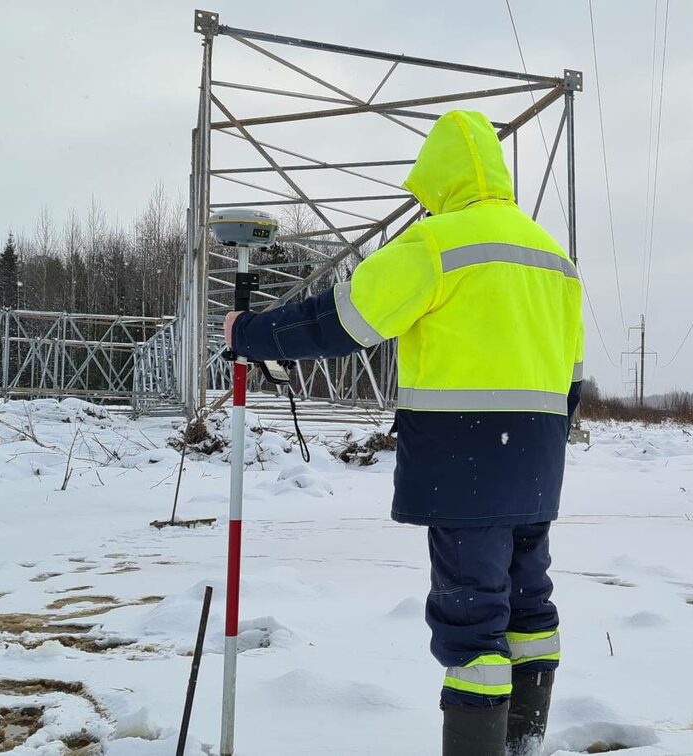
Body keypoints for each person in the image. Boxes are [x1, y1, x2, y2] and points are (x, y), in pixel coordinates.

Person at [223, 109, 584, 756]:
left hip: (466, 464)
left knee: (473, 622)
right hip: (536, 463)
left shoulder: (438, 243)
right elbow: (573, 379)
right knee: (530, 606)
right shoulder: (553, 258)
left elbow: (344, 320)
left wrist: (247, 333)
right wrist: (539, 445)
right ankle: (525, 745)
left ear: (437, 177)